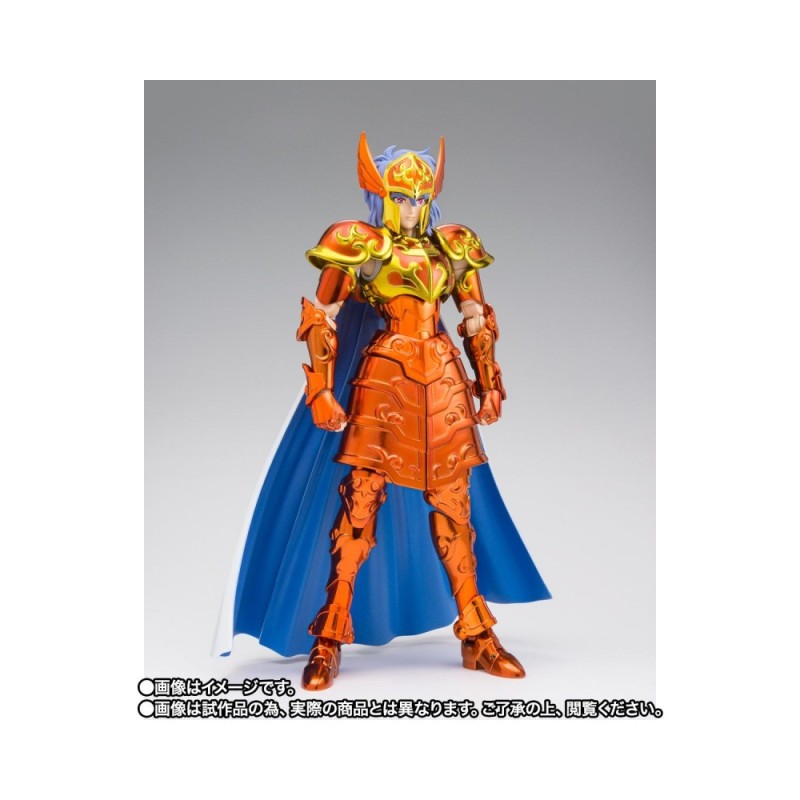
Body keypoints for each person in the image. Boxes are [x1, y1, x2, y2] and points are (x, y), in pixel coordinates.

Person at [213, 133, 550, 690]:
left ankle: (476, 634)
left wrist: (489, 383)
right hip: (384, 376)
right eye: (401, 197)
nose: (412, 208)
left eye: (421, 198)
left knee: (454, 506)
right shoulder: (359, 244)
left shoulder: (453, 245)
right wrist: (322, 392)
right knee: (359, 506)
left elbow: (474, 315)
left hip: (442, 378)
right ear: (381, 196)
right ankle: (328, 636)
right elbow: (321, 317)